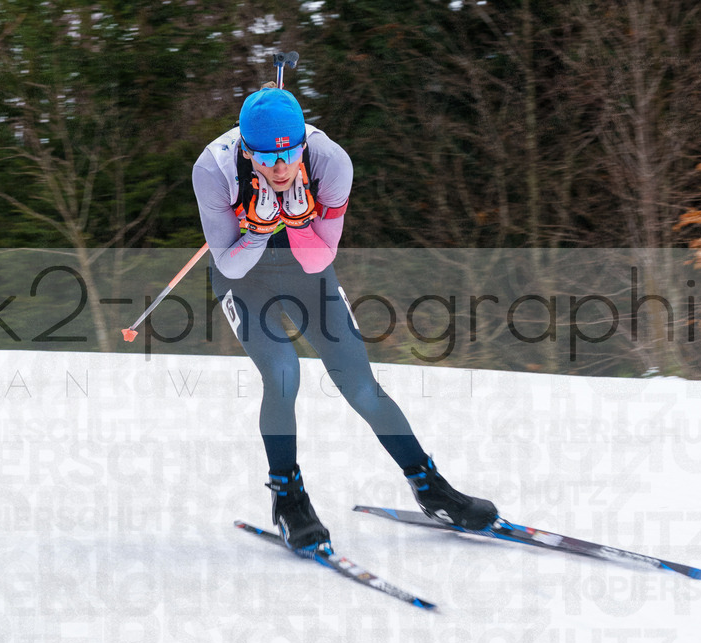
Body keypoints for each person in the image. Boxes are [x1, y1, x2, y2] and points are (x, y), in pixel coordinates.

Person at [192, 85, 497, 554]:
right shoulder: (214, 168)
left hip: (307, 272)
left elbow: (319, 260)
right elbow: (230, 264)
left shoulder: (331, 163)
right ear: (245, 148)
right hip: (243, 281)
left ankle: (430, 487)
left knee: (360, 384)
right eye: (265, 159)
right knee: (283, 373)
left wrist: (293, 224)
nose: (278, 169)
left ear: (302, 146)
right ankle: (288, 500)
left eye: (289, 156)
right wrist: (256, 228)